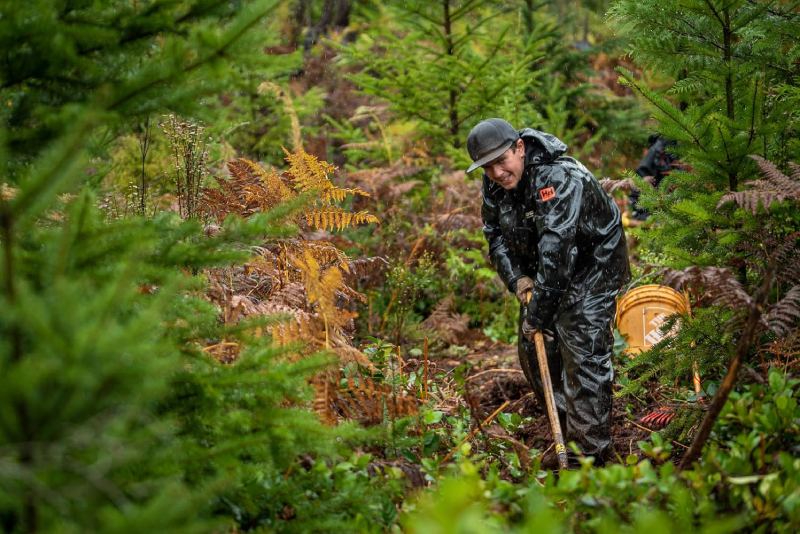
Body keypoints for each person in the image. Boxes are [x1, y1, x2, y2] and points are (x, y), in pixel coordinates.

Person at [466, 118, 631, 467]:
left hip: (592, 266)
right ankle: (567, 437)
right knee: (533, 351)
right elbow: (494, 234)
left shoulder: (558, 177)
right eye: (487, 167)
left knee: (582, 354)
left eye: (501, 161)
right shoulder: (495, 183)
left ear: (519, 148)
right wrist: (517, 280)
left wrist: (537, 314)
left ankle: (590, 457)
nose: (496, 173)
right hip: (545, 272)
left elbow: (558, 250)